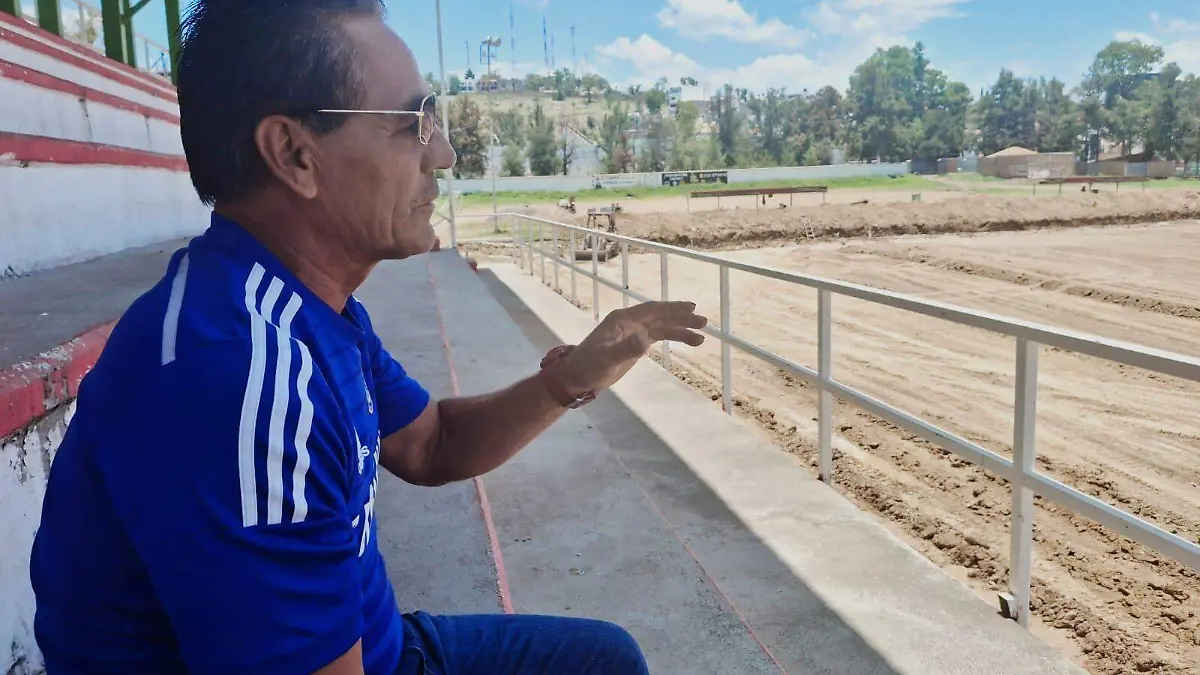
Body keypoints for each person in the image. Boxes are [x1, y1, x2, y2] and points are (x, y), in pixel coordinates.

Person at [28, 1, 707, 674]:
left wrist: (569, 378)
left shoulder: (305, 305)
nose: (442, 152)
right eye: (413, 123)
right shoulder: (243, 383)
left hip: (377, 646)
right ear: (294, 154)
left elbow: (430, 442)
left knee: (604, 660)